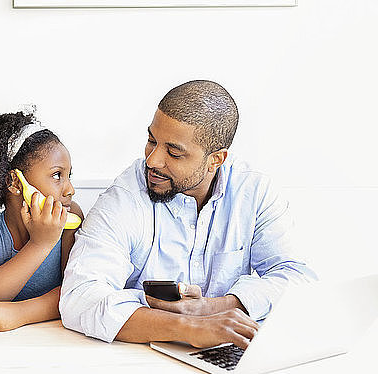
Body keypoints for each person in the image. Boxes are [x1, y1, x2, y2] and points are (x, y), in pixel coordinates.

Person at [59, 80, 318, 349]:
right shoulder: (125, 197)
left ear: (215, 160)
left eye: (173, 152)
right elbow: (79, 298)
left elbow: (299, 278)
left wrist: (216, 307)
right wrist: (189, 327)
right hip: (141, 362)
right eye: (151, 141)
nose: (152, 160)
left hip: (231, 353)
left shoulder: (254, 191)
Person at [0, 110, 83, 332]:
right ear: (16, 182)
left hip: (56, 339)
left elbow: (77, 291)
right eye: (57, 175)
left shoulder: (69, 220)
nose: (70, 189)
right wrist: (40, 244)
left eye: (69, 176)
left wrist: (21, 313)